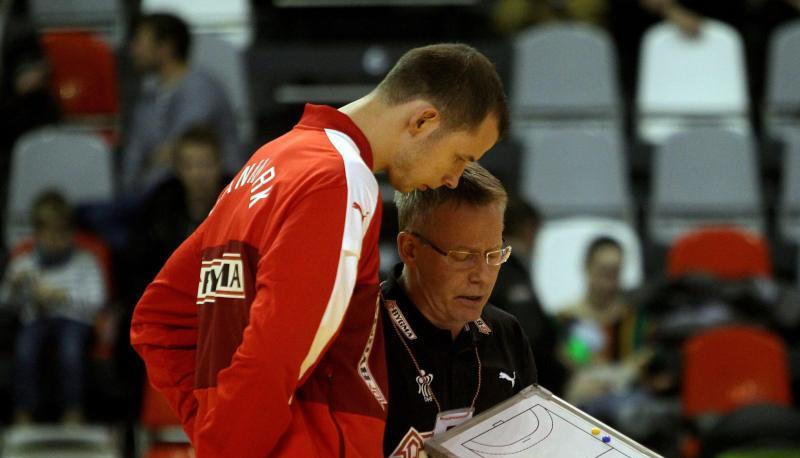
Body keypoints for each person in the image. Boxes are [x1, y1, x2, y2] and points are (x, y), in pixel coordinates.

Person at [130, 43, 508, 457]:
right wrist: (225, 445)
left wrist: (212, 429)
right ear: (423, 120)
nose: (454, 179)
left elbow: (159, 318)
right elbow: (276, 350)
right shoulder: (339, 179)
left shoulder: (268, 163)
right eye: (460, 157)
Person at [381, 163, 537, 457]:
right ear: (410, 249)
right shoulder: (363, 334)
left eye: (493, 254)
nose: (482, 276)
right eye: (463, 256)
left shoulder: (506, 333)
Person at [0, 191, 107, 424]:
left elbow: (98, 300)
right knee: (25, 350)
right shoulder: (23, 263)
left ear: (72, 233)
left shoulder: (86, 261)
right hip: (36, 319)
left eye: (61, 233)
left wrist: (62, 297)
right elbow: (6, 304)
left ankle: (74, 410)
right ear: (37, 234)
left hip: (75, 321)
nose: (54, 240)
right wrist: (13, 287)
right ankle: (24, 411)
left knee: (70, 351)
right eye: (48, 234)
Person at [121, 13, 241, 194]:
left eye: (139, 42)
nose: (133, 50)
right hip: (157, 193)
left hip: (215, 194)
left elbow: (178, 151)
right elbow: (135, 156)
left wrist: (143, 189)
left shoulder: (199, 89)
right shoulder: (148, 97)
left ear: (166, 47)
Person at [126, 124, 230, 299]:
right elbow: (140, 265)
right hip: (172, 298)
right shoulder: (159, 205)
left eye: (206, 164)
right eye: (189, 166)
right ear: (178, 169)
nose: (198, 174)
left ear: (220, 163)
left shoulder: (238, 199)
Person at [489, 196, 567, 394]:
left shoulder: (495, 268)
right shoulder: (511, 273)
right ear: (528, 228)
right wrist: (566, 373)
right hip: (524, 384)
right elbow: (529, 337)